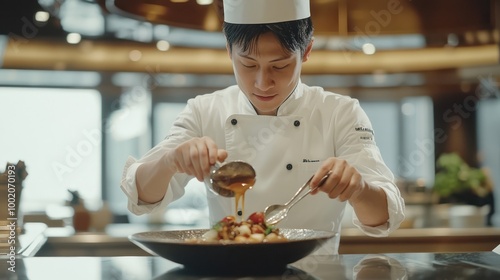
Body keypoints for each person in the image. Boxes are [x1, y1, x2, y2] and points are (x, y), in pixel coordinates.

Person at [121, 0, 405, 253]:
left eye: (280, 66)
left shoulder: (340, 113)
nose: (262, 83)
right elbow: (142, 196)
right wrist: (171, 161)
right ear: (228, 49)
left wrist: (358, 189)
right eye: (247, 64)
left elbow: (383, 218)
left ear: (306, 51)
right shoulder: (204, 111)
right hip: (227, 274)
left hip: (316, 274)